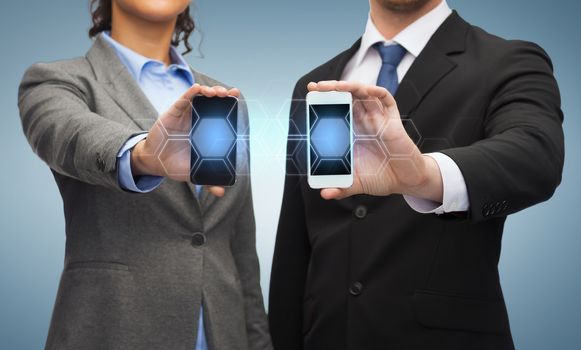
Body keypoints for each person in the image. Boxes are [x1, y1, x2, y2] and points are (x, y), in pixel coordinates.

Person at [269, 0, 564, 349]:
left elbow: (535, 154)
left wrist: (423, 174)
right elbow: (295, 240)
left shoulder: (509, 61)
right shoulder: (314, 86)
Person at [18, 1, 272, 349]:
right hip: (112, 332)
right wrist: (142, 155)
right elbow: (69, 135)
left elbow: (240, 252)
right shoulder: (57, 81)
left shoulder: (227, 101)